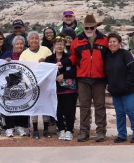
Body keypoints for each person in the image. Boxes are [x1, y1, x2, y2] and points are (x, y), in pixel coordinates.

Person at [59, 14, 108, 142]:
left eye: (92, 28)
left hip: (99, 78)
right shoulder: (78, 41)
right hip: (82, 79)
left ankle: (101, 132)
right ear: (84, 28)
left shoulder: (104, 40)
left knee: (100, 106)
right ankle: (84, 132)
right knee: (84, 106)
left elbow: (108, 59)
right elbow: (73, 57)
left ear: (95, 27)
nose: (89, 30)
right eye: (87, 28)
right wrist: (63, 63)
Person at [19, 31, 52, 139]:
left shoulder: (46, 50)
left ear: (39, 40)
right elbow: (21, 69)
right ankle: (35, 130)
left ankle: (46, 130)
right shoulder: (24, 54)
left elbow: (52, 64)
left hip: (45, 84)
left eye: (36, 38)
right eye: (31, 38)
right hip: (31, 84)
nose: (34, 40)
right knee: (33, 106)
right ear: (28, 41)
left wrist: (45, 60)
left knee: (45, 105)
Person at [45, 36, 77, 141]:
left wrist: (64, 75)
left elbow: (75, 71)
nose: (59, 46)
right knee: (57, 111)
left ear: (65, 45)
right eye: (57, 44)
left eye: (61, 44)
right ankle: (61, 129)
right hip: (55, 90)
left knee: (69, 111)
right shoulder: (49, 59)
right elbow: (46, 73)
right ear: (53, 46)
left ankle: (69, 130)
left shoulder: (70, 57)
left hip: (69, 89)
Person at [105, 33, 134, 143]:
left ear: (120, 43)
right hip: (115, 91)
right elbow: (106, 72)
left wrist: (127, 85)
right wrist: (107, 84)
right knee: (120, 113)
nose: (112, 44)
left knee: (131, 112)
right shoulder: (107, 56)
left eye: (114, 41)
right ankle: (122, 135)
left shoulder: (125, 54)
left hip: (128, 91)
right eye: (110, 42)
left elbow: (132, 70)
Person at [2, 36, 28, 137]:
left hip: (23, 85)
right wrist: (5, 61)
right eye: (17, 44)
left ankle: (20, 126)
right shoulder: (8, 54)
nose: (19, 46)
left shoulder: (26, 54)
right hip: (9, 85)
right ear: (13, 45)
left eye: (21, 44)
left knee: (22, 103)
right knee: (10, 104)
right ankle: (9, 127)